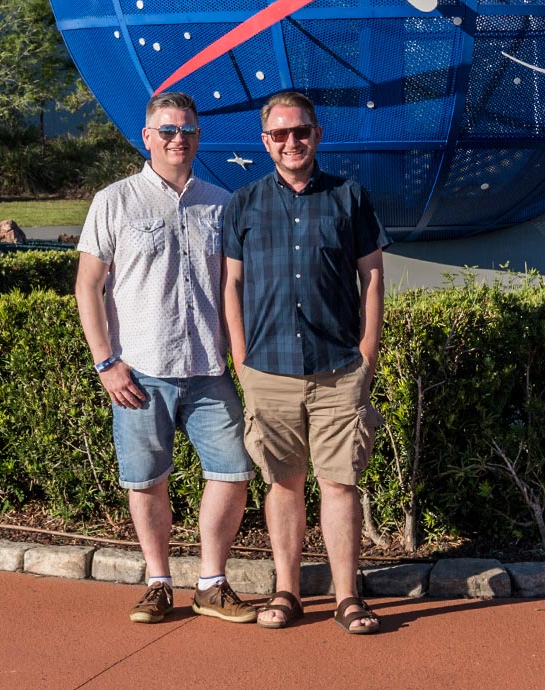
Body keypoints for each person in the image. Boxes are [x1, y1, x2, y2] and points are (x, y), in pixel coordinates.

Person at [75, 91, 258, 625]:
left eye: (188, 130)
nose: (179, 138)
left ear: (199, 137)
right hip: (139, 371)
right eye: (168, 130)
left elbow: (234, 287)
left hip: (208, 369)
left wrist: (242, 359)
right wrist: (106, 362)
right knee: (146, 479)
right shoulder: (114, 201)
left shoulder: (222, 203)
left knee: (233, 471)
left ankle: (210, 582)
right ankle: (157, 581)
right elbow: (88, 287)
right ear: (147, 137)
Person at [222, 90, 387, 635]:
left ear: (318, 135)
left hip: (339, 369)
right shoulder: (242, 203)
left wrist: (366, 355)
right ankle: (287, 592)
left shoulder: (350, 198)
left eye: (302, 131)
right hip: (267, 372)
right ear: (264, 140)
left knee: (340, 484)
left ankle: (347, 598)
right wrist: (242, 362)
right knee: (284, 483)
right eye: (280, 133)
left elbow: (373, 278)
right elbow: (232, 285)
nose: (292, 141)